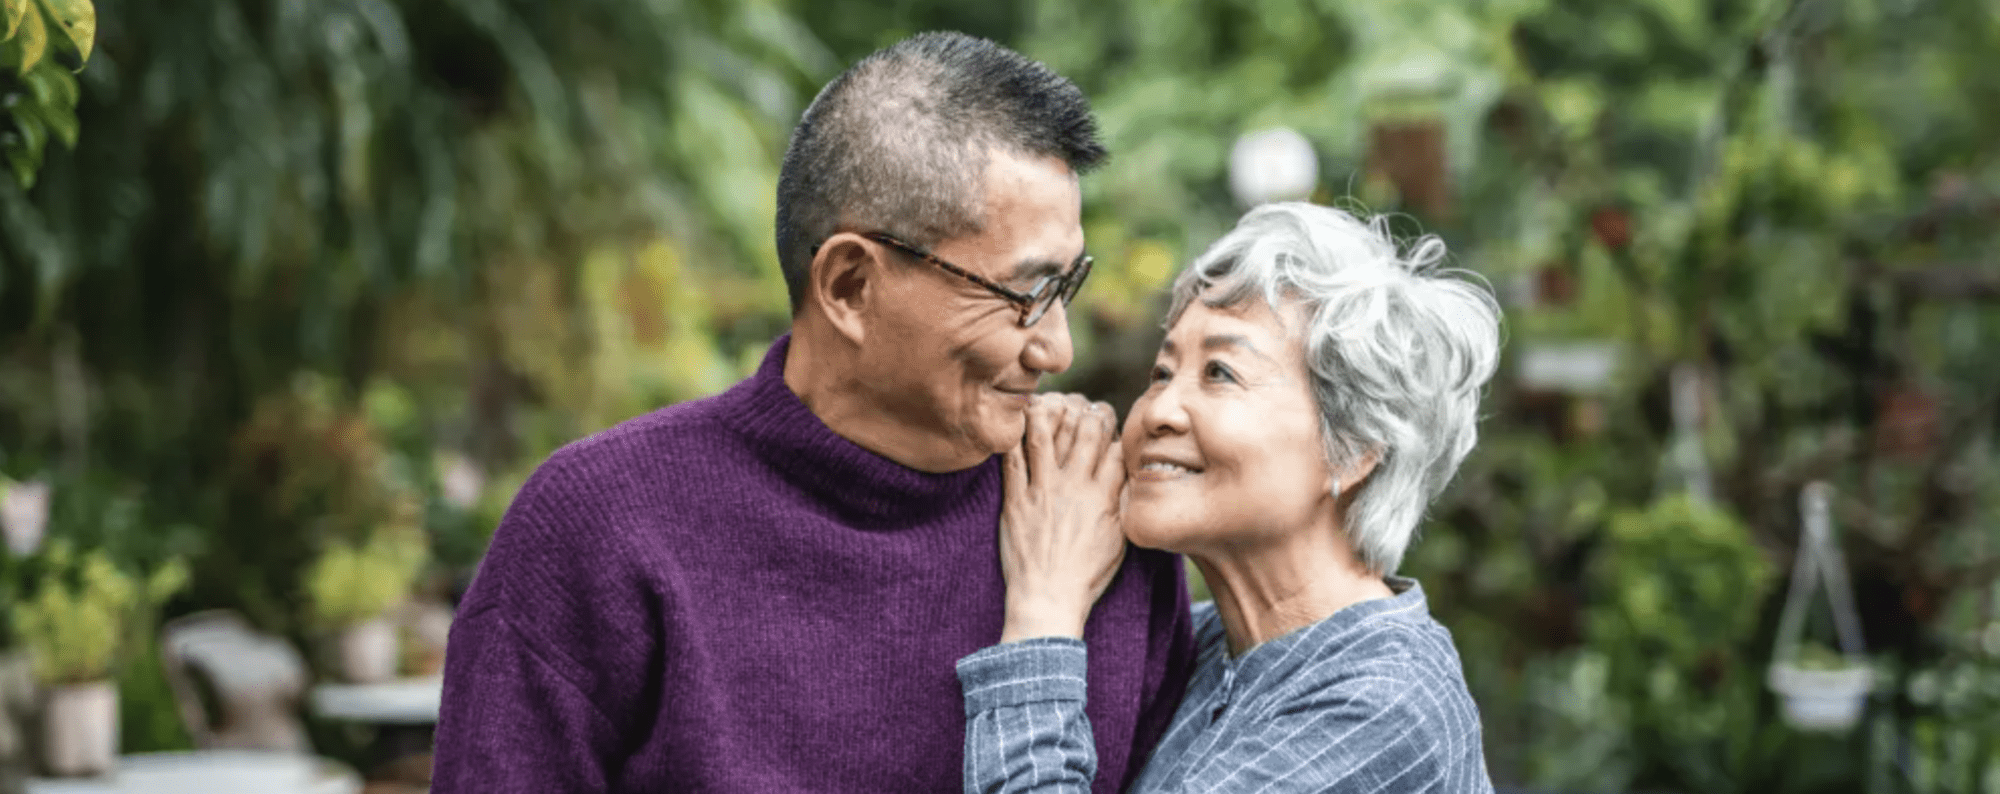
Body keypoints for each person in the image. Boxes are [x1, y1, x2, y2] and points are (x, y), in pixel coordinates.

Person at [431, 32, 1196, 794]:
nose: (1056, 348)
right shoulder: (600, 525)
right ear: (850, 286)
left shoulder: (1095, 519)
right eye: (1024, 295)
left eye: (1066, 287)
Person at [960, 201, 1501, 792]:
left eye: (1219, 373)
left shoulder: (1382, 707)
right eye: (1163, 372)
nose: (1158, 412)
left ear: (1353, 447)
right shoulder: (1207, 647)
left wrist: (1043, 611)